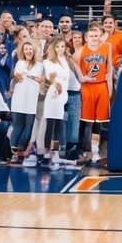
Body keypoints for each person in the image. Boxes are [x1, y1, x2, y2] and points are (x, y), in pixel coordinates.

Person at [75, 22, 113, 165]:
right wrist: (81, 76)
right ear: (87, 36)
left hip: (101, 86)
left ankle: (96, 151)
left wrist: (109, 90)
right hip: (87, 87)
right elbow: (73, 61)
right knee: (87, 122)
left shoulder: (106, 47)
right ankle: (85, 151)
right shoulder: (81, 51)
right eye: (91, 35)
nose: (94, 37)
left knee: (100, 122)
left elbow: (109, 70)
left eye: (96, 34)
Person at [40, 36, 72, 168]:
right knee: (51, 124)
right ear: (53, 47)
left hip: (63, 94)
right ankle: (48, 153)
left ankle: (56, 153)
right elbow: (50, 77)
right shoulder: (48, 61)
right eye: (57, 46)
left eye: (62, 46)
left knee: (59, 124)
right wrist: (55, 84)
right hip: (53, 94)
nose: (60, 49)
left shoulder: (65, 60)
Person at [9, 39, 43, 162]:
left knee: (29, 126)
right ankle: (12, 150)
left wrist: (37, 79)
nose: (28, 51)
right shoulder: (20, 62)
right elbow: (14, 78)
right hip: (19, 97)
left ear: (34, 50)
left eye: (30, 49)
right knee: (18, 125)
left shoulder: (40, 65)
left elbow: (43, 80)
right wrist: (16, 77)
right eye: (26, 49)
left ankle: (20, 150)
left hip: (32, 98)